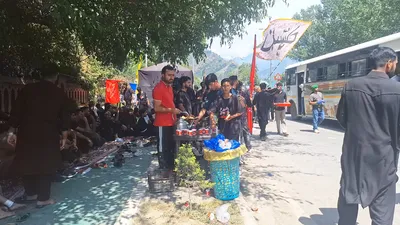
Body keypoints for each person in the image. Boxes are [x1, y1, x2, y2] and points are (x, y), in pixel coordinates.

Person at [336, 47, 400, 225]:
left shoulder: (351, 86)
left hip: (354, 154)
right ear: (388, 64)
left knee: (349, 195)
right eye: (395, 63)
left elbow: (342, 118)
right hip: (384, 158)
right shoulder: (397, 89)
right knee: (382, 211)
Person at [7, 66, 70, 208]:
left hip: (26, 132)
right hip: (48, 134)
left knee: (27, 161)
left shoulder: (27, 89)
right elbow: (64, 118)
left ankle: (31, 194)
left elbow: (16, 112)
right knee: (46, 164)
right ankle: (43, 198)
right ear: (56, 76)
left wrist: (11, 131)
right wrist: (64, 136)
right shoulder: (58, 93)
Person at [153, 65, 181, 170]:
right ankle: (163, 170)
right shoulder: (158, 88)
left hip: (171, 122)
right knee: (162, 149)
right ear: (163, 75)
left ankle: (169, 170)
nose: (171, 77)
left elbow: (169, 104)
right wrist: (172, 110)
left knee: (170, 148)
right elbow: (157, 108)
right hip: (162, 124)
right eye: (169, 75)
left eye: (173, 75)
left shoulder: (169, 87)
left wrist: (174, 115)